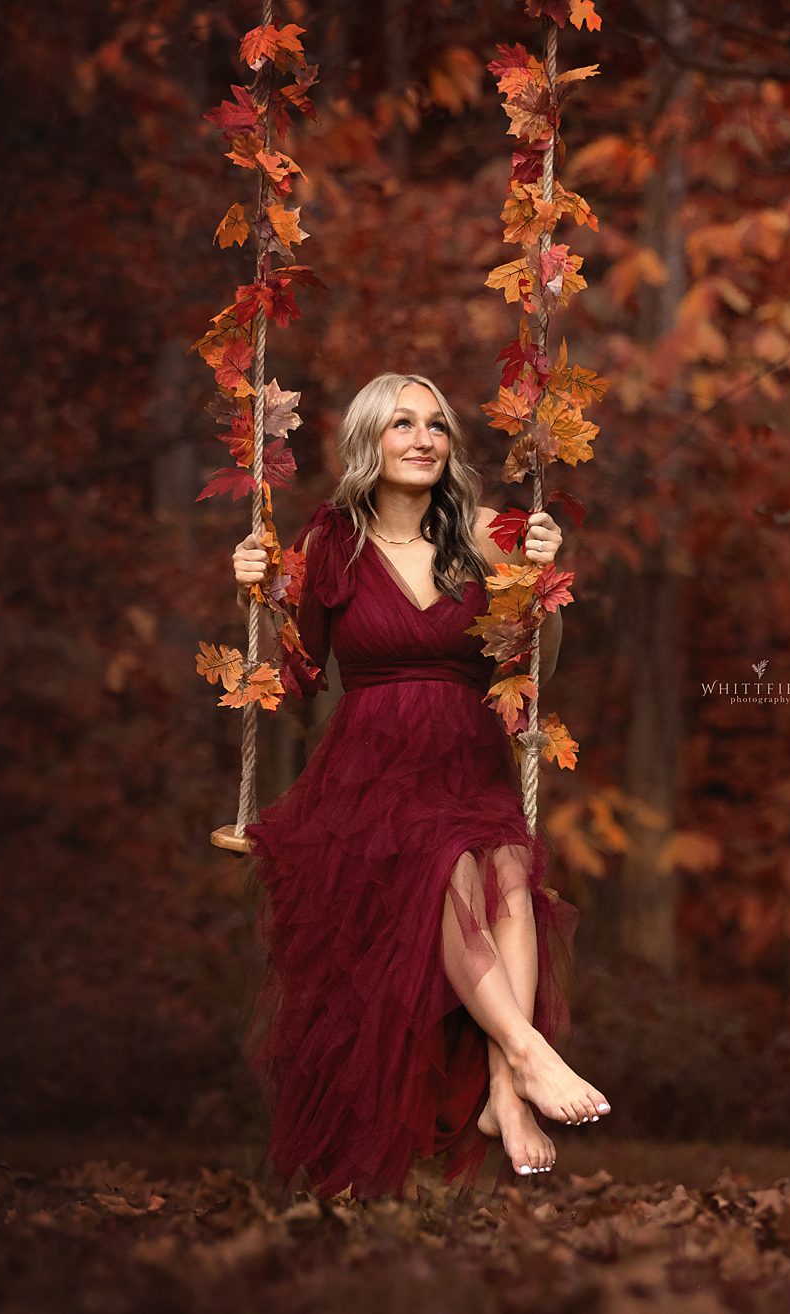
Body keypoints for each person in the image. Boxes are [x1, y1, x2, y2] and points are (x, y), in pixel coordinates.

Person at [228, 370, 608, 1194]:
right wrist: (259, 597)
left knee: (507, 866)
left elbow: (535, 671)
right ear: (369, 441)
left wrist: (549, 589)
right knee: (449, 865)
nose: (423, 438)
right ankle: (530, 1056)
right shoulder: (331, 545)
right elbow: (291, 686)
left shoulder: (491, 535)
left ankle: (506, 1093)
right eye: (402, 424)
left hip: (467, 756)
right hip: (370, 772)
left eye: (436, 424)